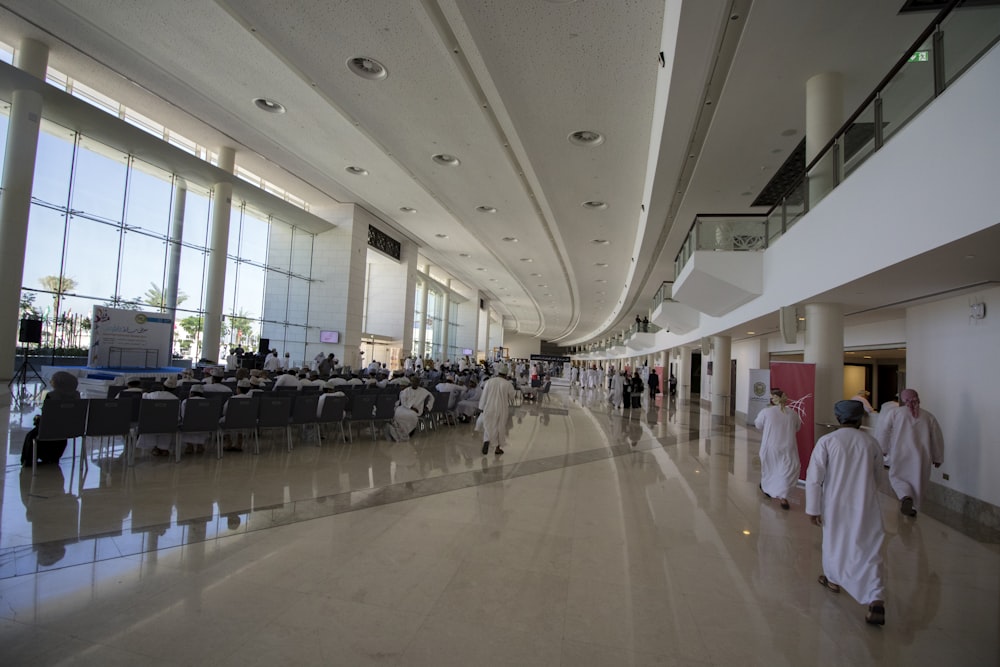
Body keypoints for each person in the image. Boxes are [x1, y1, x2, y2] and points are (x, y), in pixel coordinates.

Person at [805, 399, 886, 626]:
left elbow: (814, 478)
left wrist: (813, 508)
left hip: (835, 504)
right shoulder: (871, 443)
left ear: (838, 418)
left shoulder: (828, 441)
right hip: (867, 504)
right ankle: (876, 597)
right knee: (870, 550)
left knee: (835, 543)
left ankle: (833, 579)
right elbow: (878, 476)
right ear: (861, 419)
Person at [875, 388, 944, 518]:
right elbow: (936, 438)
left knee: (897, 477)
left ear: (902, 399)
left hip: (899, 453)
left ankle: (905, 496)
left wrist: (882, 449)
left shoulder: (895, 413)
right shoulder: (928, 416)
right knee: (918, 481)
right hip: (922, 456)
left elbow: (884, 431)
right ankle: (914, 506)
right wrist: (937, 457)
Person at [754, 389, 802, 510]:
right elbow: (798, 427)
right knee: (785, 472)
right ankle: (783, 496)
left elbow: (758, 425)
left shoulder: (766, 412)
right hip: (788, 447)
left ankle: (767, 488)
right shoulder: (793, 413)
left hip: (770, 447)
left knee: (770, 469)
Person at [477, 363, 516, 455]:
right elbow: (512, 396)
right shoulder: (507, 384)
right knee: (499, 427)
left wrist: (481, 407)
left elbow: (484, 395)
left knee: (489, 425)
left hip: (489, 407)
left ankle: (486, 440)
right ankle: (497, 448)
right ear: (506, 374)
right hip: (501, 409)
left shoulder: (489, 382)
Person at [386, 375, 433, 442]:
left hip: (417, 410)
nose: (414, 383)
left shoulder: (424, 391)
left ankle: (405, 432)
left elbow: (432, 398)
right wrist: (410, 407)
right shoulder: (406, 391)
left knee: (410, 416)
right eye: (413, 381)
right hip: (405, 407)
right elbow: (403, 401)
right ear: (411, 382)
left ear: (419, 382)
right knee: (397, 413)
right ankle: (397, 431)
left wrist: (428, 407)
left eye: (416, 382)